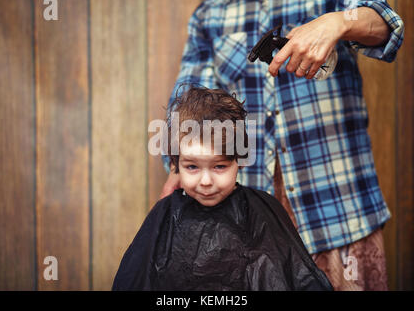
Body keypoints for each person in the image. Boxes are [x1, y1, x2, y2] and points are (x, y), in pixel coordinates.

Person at [160, 0, 405, 290]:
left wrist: (338, 23)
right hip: (250, 224)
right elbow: (187, 109)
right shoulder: (210, 15)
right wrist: (180, 169)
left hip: (339, 209)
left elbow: (385, 23)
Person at [112, 87, 333, 290]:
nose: (206, 181)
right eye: (192, 166)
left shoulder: (263, 212)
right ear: (175, 163)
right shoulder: (164, 216)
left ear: (239, 159)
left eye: (219, 166)